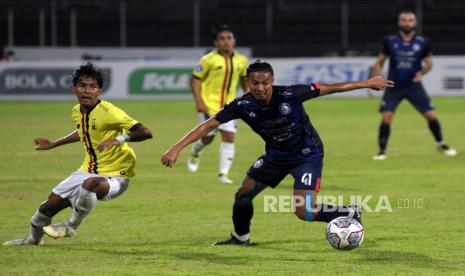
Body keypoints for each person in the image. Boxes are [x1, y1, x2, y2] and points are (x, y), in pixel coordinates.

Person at [162, 60, 393, 245]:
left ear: (272, 81)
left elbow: (329, 88)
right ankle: (241, 239)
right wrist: (176, 147)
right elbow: (208, 125)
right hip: (276, 156)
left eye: (265, 83)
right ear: (248, 82)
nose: (260, 88)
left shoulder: (290, 95)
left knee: (305, 212)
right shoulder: (241, 105)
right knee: (243, 194)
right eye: (255, 83)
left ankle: (348, 212)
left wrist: (366, 83)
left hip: (307, 154)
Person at [3, 63, 152, 246]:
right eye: (82, 85)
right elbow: (84, 131)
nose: (87, 91)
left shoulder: (110, 112)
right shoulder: (76, 111)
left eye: (92, 87)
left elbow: (145, 132)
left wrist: (119, 139)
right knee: (47, 208)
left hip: (116, 175)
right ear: (74, 88)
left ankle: (70, 226)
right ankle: (33, 240)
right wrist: (53, 144)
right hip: (87, 169)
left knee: (90, 184)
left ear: (99, 91)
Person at [372, 10, 457, 160]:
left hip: (413, 86)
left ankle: (440, 143)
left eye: (410, 20)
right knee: (386, 117)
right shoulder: (389, 40)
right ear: (400, 22)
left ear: (415, 22)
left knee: (431, 115)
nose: (407, 23)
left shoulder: (423, 42)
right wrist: (377, 78)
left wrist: (420, 73)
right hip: (393, 86)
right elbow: (379, 62)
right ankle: (382, 151)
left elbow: (429, 64)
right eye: (404, 20)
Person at [187, 24, 249, 184]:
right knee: (207, 138)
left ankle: (223, 174)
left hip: (230, 106)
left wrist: (248, 96)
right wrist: (199, 102)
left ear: (234, 41)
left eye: (229, 38)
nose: (226, 42)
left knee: (229, 137)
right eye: (222, 39)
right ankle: (195, 151)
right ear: (216, 43)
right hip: (208, 105)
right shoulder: (208, 59)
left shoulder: (242, 60)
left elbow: (244, 78)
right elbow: (195, 79)